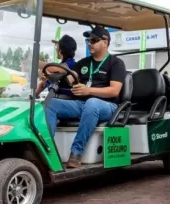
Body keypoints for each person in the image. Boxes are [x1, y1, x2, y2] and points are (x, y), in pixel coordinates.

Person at [45, 27, 127, 168]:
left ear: (105, 42)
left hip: (108, 105)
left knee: (92, 103)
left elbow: (114, 91)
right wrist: (54, 75)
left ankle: (76, 153)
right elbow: (71, 78)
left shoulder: (116, 63)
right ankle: (47, 151)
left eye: (94, 40)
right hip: (82, 104)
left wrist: (88, 90)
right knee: (50, 103)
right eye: (88, 40)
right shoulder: (83, 63)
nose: (90, 43)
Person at [35, 35, 78, 99]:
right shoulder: (58, 68)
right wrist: (34, 95)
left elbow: (54, 68)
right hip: (53, 98)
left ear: (61, 50)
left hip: (66, 101)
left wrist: (34, 61)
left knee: (49, 102)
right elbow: (43, 84)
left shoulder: (72, 64)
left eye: (56, 46)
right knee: (45, 103)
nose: (55, 48)